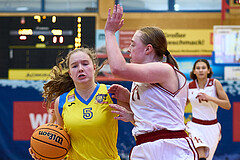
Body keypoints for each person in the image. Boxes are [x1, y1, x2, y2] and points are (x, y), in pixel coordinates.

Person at [104, 4, 199, 160]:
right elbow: (154, 119)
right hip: (143, 146)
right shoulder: (138, 81)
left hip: (171, 147)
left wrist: (109, 32)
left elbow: (118, 69)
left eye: (133, 44)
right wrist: (130, 107)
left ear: (148, 49)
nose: (129, 49)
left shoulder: (165, 70)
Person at [29, 47, 125, 160]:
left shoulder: (111, 92)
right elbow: (60, 143)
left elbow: (141, 124)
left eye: (85, 64)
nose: (80, 69)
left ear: (94, 67)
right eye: (74, 66)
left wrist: (131, 115)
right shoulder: (61, 101)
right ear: (70, 73)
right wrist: (44, 154)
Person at [186, 59, 231, 160]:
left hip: (212, 127)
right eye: (198, 68)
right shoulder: (189, 86)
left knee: (207, 158)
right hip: (195, 126)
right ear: (194, 71)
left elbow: (227, 105)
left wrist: (209, 98)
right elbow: (182, 105)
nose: (201, 70)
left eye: (203, 68)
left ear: (209, 70)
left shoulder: (215, 83)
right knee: (200, 155)